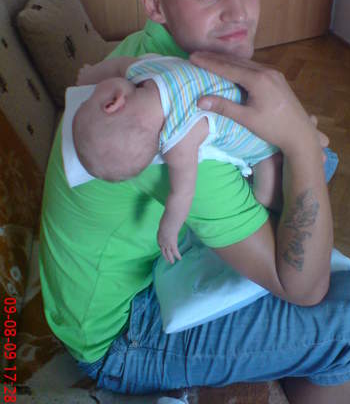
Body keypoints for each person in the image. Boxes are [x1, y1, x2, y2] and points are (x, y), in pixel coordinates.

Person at [39, 0, 350, 403]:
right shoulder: (167, 130)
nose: (240, 14)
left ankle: (292, 355)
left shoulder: (147, 56)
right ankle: (308, 359)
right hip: (116, 335)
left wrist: (296, 148)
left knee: (319, 168)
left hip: (123, 263)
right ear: (154, 4)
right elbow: (304, 288)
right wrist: (298, 140)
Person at [72, 53, 283, 263]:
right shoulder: (145, 70)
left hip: (264, 146)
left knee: (264, 197)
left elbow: (182, 194)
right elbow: (117, 65)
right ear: (113, 101)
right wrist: (91, 74)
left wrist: (168, 230)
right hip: (263, 97)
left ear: (112, 103)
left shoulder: (179, 141)